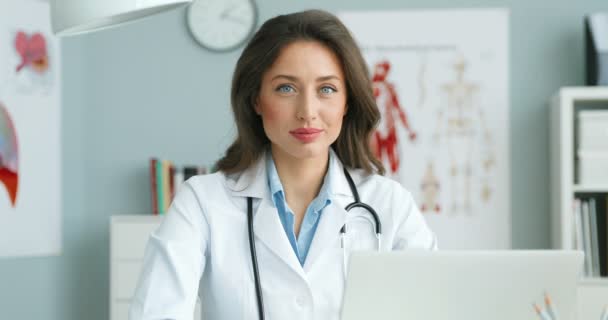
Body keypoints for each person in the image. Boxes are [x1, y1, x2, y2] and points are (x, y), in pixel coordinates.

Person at [129, 9, 436, 320]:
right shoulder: (202, 202)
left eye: (326, 89)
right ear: (256, 100)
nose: (307, 111)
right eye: (286, 88)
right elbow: (157, 313)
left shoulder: (390, 204)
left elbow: (437, 308)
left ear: (348, 102)